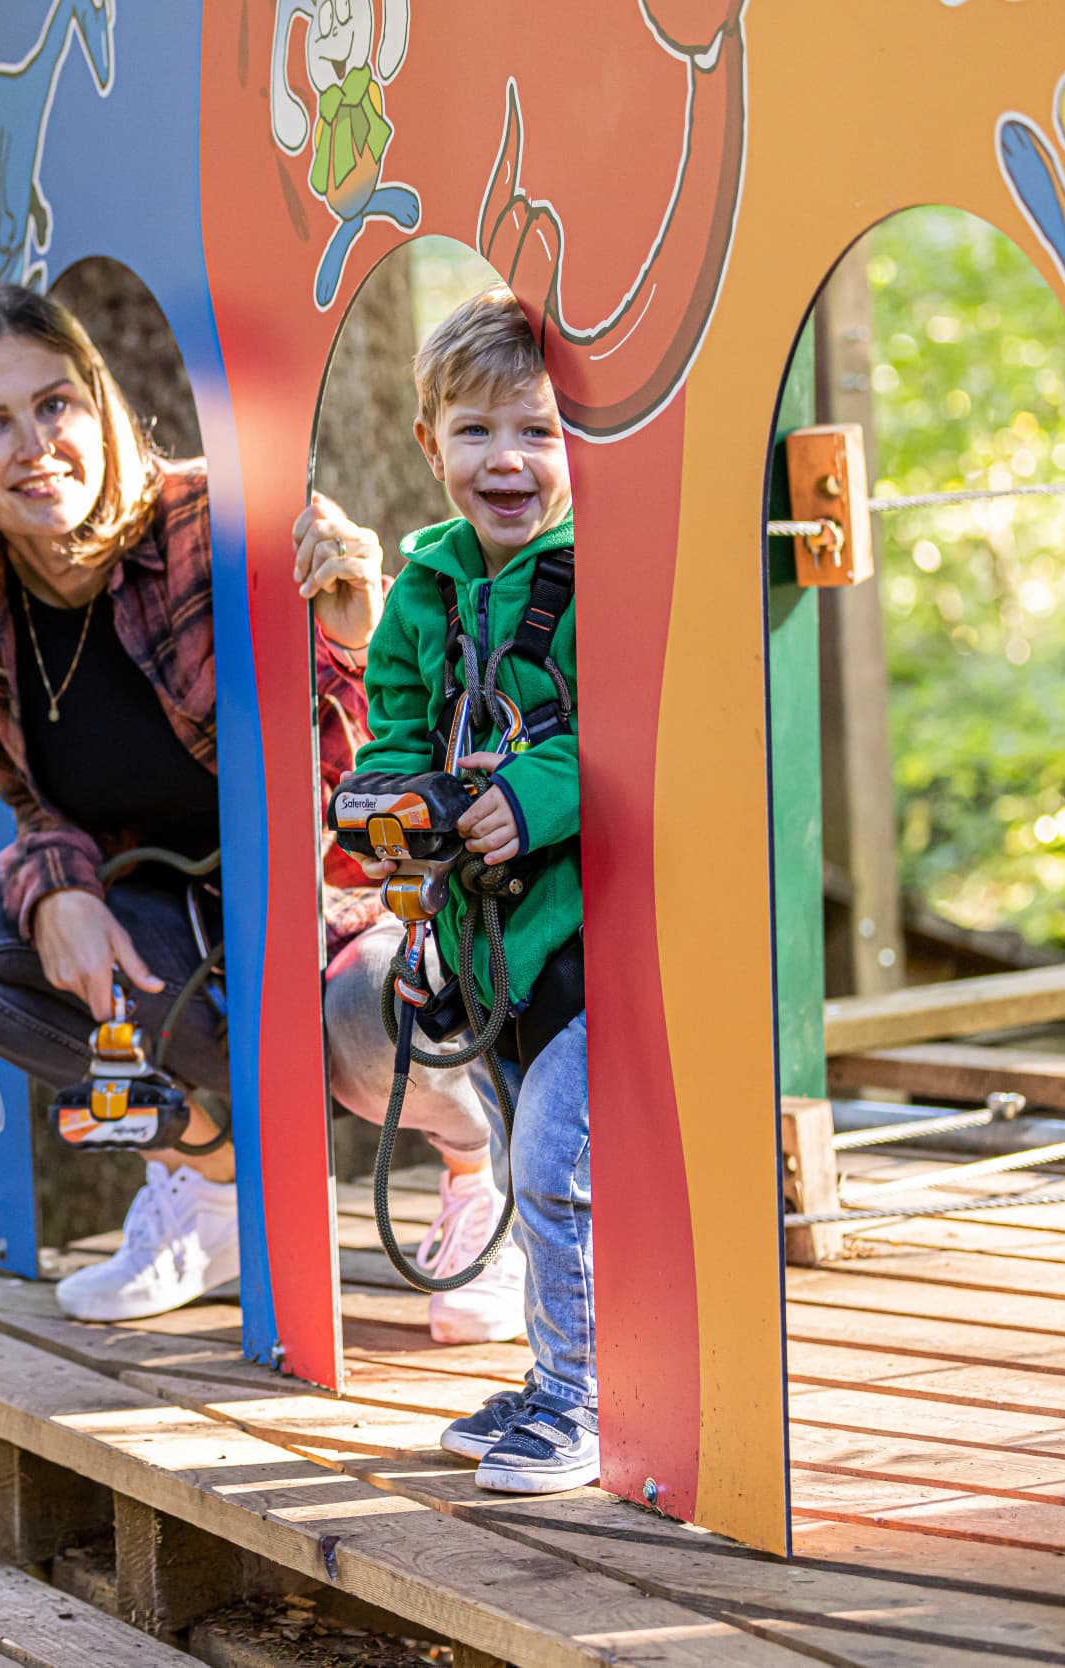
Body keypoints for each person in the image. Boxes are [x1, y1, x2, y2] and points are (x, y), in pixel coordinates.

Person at [0, 282, 495, 1324]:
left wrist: (349, 640)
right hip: (190, 940)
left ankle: (485, 1175)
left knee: (376, 1016)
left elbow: (382, 770)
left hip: (344, 917)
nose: (36, 446)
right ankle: (212, 1189)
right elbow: (36, 810)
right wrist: (54, 890)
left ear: (98, 406)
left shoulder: (213, 516)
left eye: (55, 403)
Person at [323, 287, 594, 1492]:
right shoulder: (428, 587)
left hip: (584, 937)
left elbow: (631, 730)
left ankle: (583, 1400)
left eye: (537, 430)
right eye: (476, 432)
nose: (508, 460)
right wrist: (392, 806)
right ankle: (557, 1374)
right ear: (428, 443)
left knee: (553, 1166)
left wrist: (533, 794)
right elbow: (392, 723)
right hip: (483, 946)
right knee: (539, 1159)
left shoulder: (598, 575)